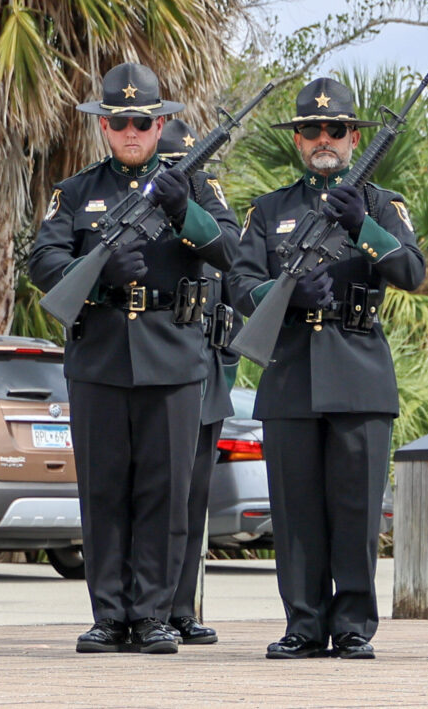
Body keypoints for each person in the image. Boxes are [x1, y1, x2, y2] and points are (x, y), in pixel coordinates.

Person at [28, 63, 239, 655]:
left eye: (142, 122)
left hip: (171, 355)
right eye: (119, 122)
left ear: (160, 125)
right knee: (103, 491)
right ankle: (109, 615)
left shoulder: (195, 186)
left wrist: (184, 212)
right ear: (103, 126)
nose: (131, 132)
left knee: (164, 492)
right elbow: (43, 261)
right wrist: (97, 277)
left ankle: (153, 615)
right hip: (99, 356)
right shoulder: (75, 192)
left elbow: (231, 250)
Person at [228, 78, 425, 659]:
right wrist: (285, 294)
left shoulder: (382, 204)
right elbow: (239, 282)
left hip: (359, 369)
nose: (324, 139)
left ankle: (354, 625)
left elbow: (413, 271)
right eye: (311, 130)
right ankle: (304, 624)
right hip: (291, 370)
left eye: (335, 129)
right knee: (296, 512)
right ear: (297, 140)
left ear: (353, 137)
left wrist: (364, 225)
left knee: (356, 510)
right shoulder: (269, 210)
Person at [158, 119, 242, 644]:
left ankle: (181, 606)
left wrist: (227, 359)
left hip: (207, 373)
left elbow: (235, 283)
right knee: (159, 496)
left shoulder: (209, 212)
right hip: (163, 367)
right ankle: (148, 607)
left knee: (193, 498)